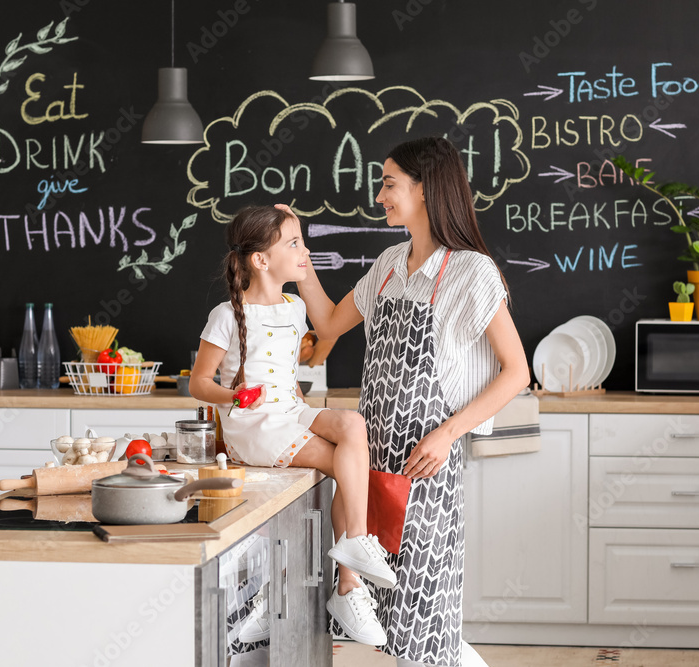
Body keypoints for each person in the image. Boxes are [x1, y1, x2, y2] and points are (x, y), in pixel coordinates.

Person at [292, 136, 531, 667]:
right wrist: (299, 258)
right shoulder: (389, 264)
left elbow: (517, 372)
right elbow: (330, 322)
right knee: (386, 612)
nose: (380, 195)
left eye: (389, 183)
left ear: (426, 190)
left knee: (424, 607)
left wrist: (448, 435)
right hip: (374, 456)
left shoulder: (471, 272)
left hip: (426, 463)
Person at [190, 204, 396, 647]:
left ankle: (353, 551)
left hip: (289, 410)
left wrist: (308, 412)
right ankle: (349, 582)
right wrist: (232, 396)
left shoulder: (297, 305)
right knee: (345, 465)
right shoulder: (227, 316)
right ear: (261, 260)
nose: (305, 252)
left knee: (352, 426)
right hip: (255, 424)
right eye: (294, 243)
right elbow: (198, 384)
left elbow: (287, 374)